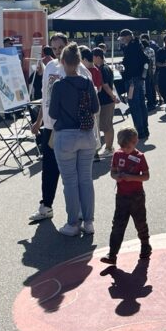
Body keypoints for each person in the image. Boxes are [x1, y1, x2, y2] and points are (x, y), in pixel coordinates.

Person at [28, 33, 91, 223]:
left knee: (72, 173)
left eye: (59, 48)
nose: (56, 52)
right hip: (49, 126)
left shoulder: (80, 70)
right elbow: (45, 97)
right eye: (53, 48)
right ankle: (46, 206)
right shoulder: (50, 67)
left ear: (67, 46)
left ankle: (79, 210)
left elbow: (89, 101)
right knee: (49, 169)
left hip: (68, 128)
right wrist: (39, 120)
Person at [48, 42, 100, 236]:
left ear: (62, 62)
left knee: (70, 181)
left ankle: (72, 223)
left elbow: (53, 113)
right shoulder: (87, 83)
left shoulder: (59, 85)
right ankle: (89, 221)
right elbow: (95, 109)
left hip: (66, 136)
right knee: (86, 179)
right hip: (86, 134)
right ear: (79, 61)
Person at [99, 127, 152, 265]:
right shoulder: (117, 154)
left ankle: (145, 245)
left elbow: (146, 176)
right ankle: (112, 254)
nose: (125, 150)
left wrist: (131, 177)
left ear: (135, 142)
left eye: (128, 147)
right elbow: (113, 172)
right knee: (117, 225)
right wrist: (117, 176)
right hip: (121, 196)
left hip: (137, 196)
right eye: (122, 147)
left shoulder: (140, 157)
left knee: (140, 222)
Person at [119, 29, 150, 141]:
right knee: (141, 104)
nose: (122, 41)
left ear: (127, 37)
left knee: (134, 105)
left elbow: (130, 64)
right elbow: (146, 61)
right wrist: (143, 75)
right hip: (139, 78)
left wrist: (123, 67)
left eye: (123, 38)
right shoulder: (138, 45)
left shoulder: (131, 47)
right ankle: (144, 129)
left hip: (131, 79)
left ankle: (140, 130)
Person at [92, 48, 121, 158]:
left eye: (93, 57)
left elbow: (106, 85)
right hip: (106, 100)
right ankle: (109, 147)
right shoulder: (105, 67)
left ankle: (109, 148)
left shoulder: (102, 69)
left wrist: (113, 96)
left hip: (106, 101)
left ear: (98, 57)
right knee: (106, 125)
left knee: (107, 126)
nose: (92, 59)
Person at [141, 34, 158, 110]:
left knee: (148, 88)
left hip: (146, 72)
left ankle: (150, 103)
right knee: (152, 87)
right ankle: (154, 101)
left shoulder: (144, 51)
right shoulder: (151, 50)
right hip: (152, 70)